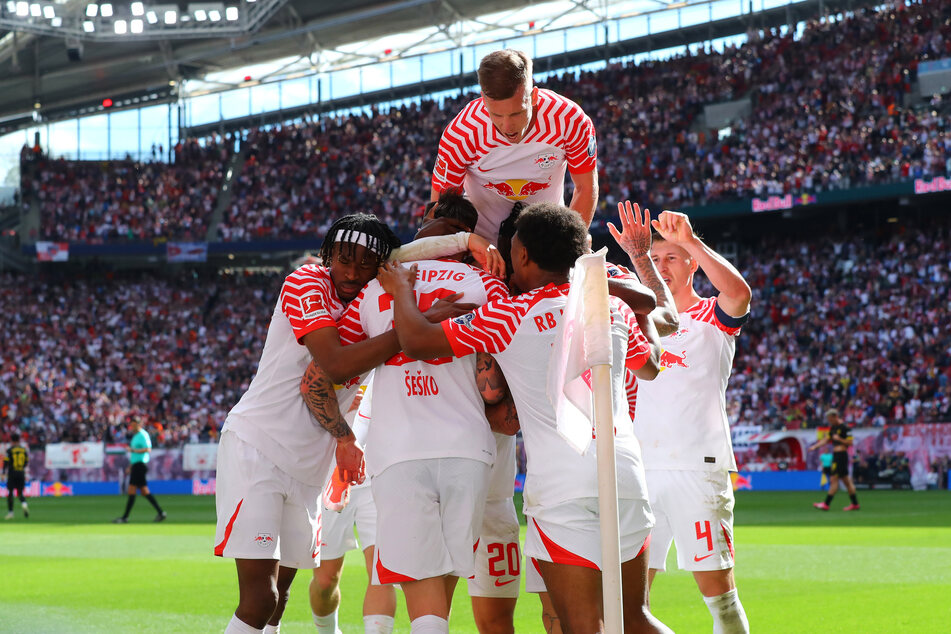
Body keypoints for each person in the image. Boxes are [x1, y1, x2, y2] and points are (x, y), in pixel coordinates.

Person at [377, 202, 671, 634]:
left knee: (583, 626)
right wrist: (629, 299)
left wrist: (402, 290)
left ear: (523, 256)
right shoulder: (612, 308)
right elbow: (652, 364)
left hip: (562, 486)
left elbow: (419, 342)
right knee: (636, 619)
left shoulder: (507, 314)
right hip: (626, 473)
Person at [216, 213, 480, 634]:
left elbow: (411, 252)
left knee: (280, 598)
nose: (352, 272)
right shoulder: (307, 281)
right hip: (259, 445)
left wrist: (470, 242)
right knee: (259, 597)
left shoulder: (370, 300)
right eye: (343, 259)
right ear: (327, 255)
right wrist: (422, 323)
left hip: (308, 466)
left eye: (364, 263)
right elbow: (333, 364)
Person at [331, 207, 511, 634]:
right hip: (469, 449)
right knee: (441, 586)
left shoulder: (378, 284)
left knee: (422, 591)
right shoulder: (486, 283)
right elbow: (495, 389)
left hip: (399, 452)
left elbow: (341, 366)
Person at [631, 210, 752, 634]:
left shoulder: (711, 317)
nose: (662, 265)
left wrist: (692, 239)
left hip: (697, 468)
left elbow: (739, 292)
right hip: (641, 470)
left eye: (672, 257)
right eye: (655, 258)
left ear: (691, 264)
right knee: (629, 601)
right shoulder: (638, 324)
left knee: (720, 598)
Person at [431, 49, 599, 240]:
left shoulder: (570, 120)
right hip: (482, 246)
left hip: (548, 245)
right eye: (496, 115)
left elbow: (586, 188)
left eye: (516, 113)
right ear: (483, 99)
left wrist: (569, 244)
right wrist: (469, 245)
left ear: (533, 97)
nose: (507, 126)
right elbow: (440, 210)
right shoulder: (461, 133)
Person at [310, 380, 397, 634]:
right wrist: (333, 400)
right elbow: (304, 393)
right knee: (326, 579)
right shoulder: (326, 346)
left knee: (381, 571)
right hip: (332, 470)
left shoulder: (391, 342)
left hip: (380, 468)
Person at [112, 418, 166, 524]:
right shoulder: (136, 436)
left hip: (140, 465)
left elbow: (148, 449)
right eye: (131, 425)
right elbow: (134, 455)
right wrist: (131, 466)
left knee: (132, 490)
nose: (132, 427)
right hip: (136, 465)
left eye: (133, 425)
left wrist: (133, 450)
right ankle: (160, 512)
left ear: (138, 424)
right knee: (144, 491)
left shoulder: (143, 435)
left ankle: (125, 517)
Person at [810, 409, 860, 511]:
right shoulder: (833, 427)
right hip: (837, 455)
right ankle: (855, 504)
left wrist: (839, 439)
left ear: (835, 416)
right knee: (846, 481)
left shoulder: (845, 427)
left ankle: (826, 504)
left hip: (841, 455)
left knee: (834, 479)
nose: (829, 421)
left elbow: (850, 442)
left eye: (830, 419)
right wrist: (815, 446)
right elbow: (826, 439)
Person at [4, 432, 29, 520]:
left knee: (10, 493)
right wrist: (21, 468)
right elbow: (26, 462)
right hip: (21, 473)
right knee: (20, 493)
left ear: (12, 441)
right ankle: (24, 504)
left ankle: (11, 513)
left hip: (12, 473)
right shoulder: (23, 450)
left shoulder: (10, 450)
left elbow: (6, 462)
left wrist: (3, 472)